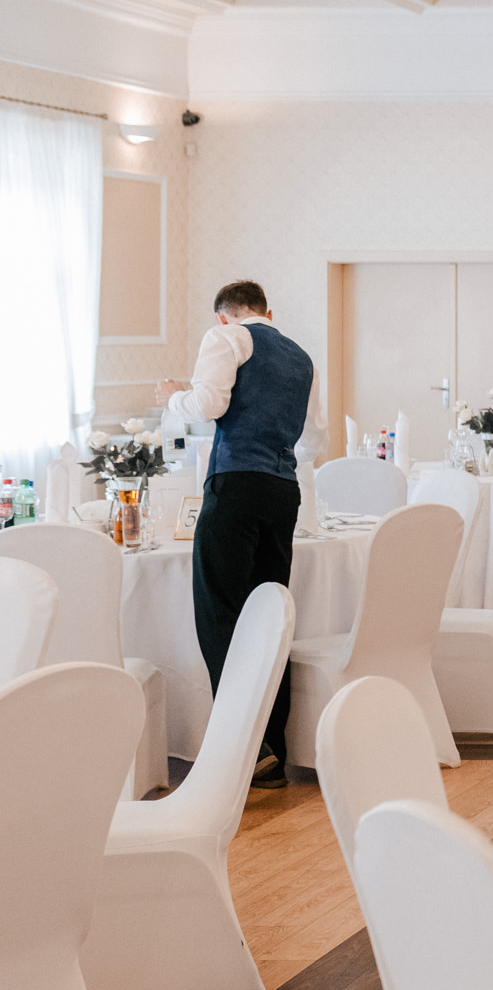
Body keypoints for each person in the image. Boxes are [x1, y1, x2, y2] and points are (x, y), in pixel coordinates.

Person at [156, 280, 326, 789]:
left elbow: (209, 404)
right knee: (269, 612)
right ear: (267, 312)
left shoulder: (227, 337)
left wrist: (173, 398)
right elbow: (312, 440)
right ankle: (272, 745)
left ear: (223, 316)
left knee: (220, 612)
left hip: (236, 486)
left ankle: (241, 747)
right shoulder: (301, 358)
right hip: (283, 492)